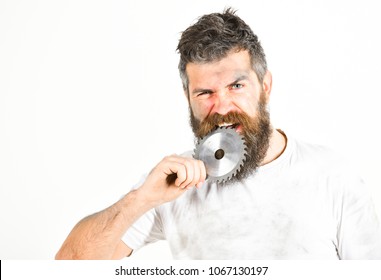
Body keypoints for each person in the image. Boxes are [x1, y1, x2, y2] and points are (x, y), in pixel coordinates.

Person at [55, 8, 381, 260]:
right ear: (188, 99)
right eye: (205, 92)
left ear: (264, 87)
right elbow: (69, 264)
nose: (222, 107)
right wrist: (141, 199)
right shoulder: (173, 182)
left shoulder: (333, 176)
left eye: (236, 86)